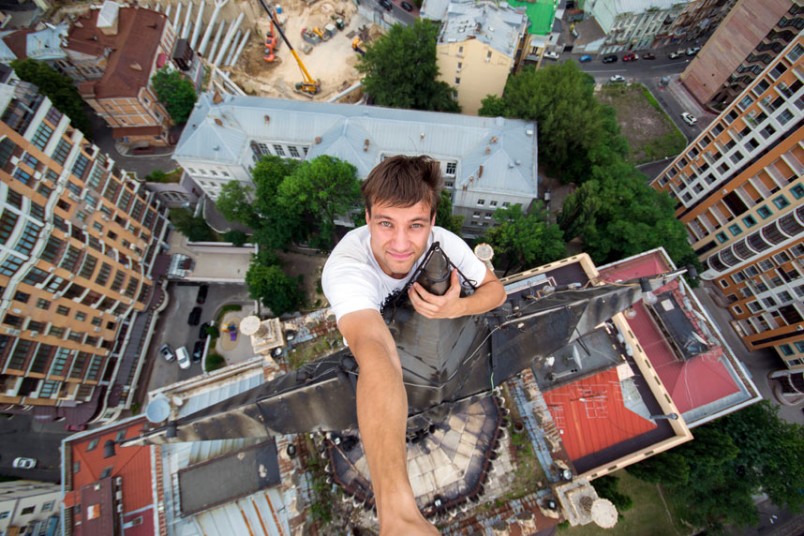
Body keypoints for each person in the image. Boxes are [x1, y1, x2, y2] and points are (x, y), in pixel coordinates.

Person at [322, 155, 506, 534]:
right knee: (379, 362)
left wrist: (458, 306)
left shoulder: (444, 244)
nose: (402, 244)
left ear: (432, 222)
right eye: (386, 224)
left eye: (416, 225)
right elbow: (377, 351)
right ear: (368, 219)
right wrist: (398, 514)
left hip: (429, 355)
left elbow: (496, 292)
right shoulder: (347, 269)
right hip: (379, 369)